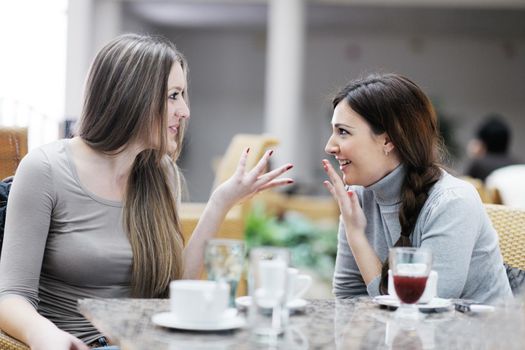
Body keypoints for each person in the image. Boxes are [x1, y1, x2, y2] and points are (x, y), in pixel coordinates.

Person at [0, 34, 293, 349]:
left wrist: (219, 203)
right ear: (132, 96)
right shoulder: (45, 170)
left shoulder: (159, 172)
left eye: (183, 95)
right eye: (173, 96)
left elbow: (171, 294)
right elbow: (10, 297)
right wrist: (45, 335)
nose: (185, 111)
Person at [322, 73, 511, 304]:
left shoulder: (452, 202)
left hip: (479, 336)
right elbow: (348, 298)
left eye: (343, 131)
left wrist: (357, 236)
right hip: (405, 337)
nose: (330, 146)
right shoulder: (358, 197)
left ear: (388, 140)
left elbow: (420, 308)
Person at [465, 115, 519, 182]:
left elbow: (465, 186)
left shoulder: (479, 164)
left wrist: (474, 156)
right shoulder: (517, 164)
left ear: (483, 142)